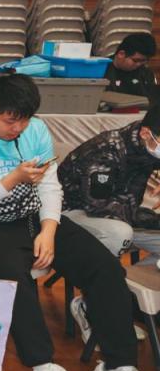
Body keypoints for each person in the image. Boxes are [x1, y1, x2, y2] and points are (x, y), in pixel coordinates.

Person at [0, 74, 160, 371]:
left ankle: (118, 367)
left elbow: (49, 187)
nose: (18, 129)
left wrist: (49, 229)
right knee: (14, 278)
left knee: (104, 267)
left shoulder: (35, 131)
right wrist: (12, 179)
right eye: (10, 121)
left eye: (24, 120)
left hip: (35, 217)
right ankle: (44, 367)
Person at [59, 105, 160, 260]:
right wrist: (151, 220)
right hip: (74, 212)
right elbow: (98, 206)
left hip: (122, 211)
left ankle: (137, 275)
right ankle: (100, 273)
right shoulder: (106, 150)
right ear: (146, 133)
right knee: (120, 233)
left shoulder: (146, 143)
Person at [103, 32, 157, 98]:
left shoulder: (146, 73)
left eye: (143, 61)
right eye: (136, 60)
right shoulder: (102, 71)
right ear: (121, 54)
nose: (139, 64)